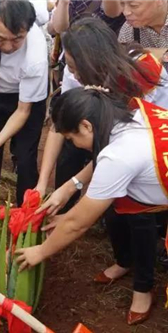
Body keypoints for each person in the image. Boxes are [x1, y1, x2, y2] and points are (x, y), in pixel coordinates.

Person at [16, 87, 167, 325]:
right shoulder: (131, 115)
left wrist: (40, 252)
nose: (74, 145)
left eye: (71, 138)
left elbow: (79, 223)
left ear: (86, 126)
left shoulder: (119, 156)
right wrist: (70, 186)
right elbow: (108, 163)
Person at [36, 18, 168, 214]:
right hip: (116, 143)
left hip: (152, 151)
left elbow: (117, 150)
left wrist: (74, 184)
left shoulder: (138, 76)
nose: (73, 74)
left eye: (74, 67)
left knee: (136, 216)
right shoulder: (77, 74)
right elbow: (61, 123)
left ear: (92, 61)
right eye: (69, 67)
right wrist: (42, 182)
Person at [0, 0, 48, 208]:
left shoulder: (35, 59)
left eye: (17, 40)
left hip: (27, 100)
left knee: (25, 158)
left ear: (28, 29)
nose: (7, 47)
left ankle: (24, 217)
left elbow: (23, 111)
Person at [104, 0, 168, 69]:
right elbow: (123, 64)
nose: (126, 12)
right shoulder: (129, 29)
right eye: (122, 4)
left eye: (134, 5)